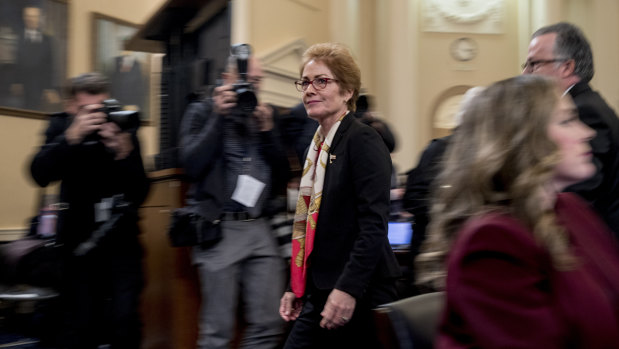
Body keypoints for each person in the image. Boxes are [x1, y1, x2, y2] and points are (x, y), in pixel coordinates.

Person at [417, 75, 619, 347]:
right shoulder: (492, 241)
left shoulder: (572, 209)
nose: (588, 132)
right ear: (522, 137)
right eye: (567, 120)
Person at [279, 42, 401, 348]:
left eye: (321, 81)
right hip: (321, 288)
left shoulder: (363, 140)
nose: (309, 90)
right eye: (305, 82)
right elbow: (309, 225)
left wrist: (348, 289)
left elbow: (373, 225)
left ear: (347, 91)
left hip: (360, 290)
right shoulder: (317, 146)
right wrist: (296, 285)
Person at [178, 44, 288, 349]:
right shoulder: (201, 110)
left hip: (259, 227)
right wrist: (218, 116)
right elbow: (192, 165)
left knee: (269, 323)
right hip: (219, 226)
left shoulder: (264, 114)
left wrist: (267, 133)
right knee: (217, 332)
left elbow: (281, 176)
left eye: (257, 82)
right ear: (227, 77)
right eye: (246, 80)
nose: (252, 88)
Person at [30, 72, 149, 348]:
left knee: (125, 321)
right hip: (78, 246)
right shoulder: (60, 126)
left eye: (101, 107)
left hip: (122, 242)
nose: (97, 117)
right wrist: (71, 137)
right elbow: (39, 174)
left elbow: (141, 192)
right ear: (72, 106)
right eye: (88, 110)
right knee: (82, 325)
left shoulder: (123, 127)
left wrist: (124, 153)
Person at [523, 22, 619, 237]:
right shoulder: (584, 103)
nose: (525, 73)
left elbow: (582, 191)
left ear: (566, 67)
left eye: (534, 64)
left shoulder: (584, 110)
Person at [403, 86, 484, 294]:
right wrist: (453, 211)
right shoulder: (437, 150)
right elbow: (413, 198)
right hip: (436, 258)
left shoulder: (487, 156)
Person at [12, 4, 59, 111]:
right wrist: (16, 82)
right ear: (24, 18)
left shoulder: (47, 40)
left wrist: (50, 88)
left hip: (40, 87)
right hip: (21, 87)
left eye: (34, 16)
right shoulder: (18, 38)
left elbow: (50, 64)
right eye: (28, 16)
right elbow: (15, 62)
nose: (31, 19)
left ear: (39, 18)